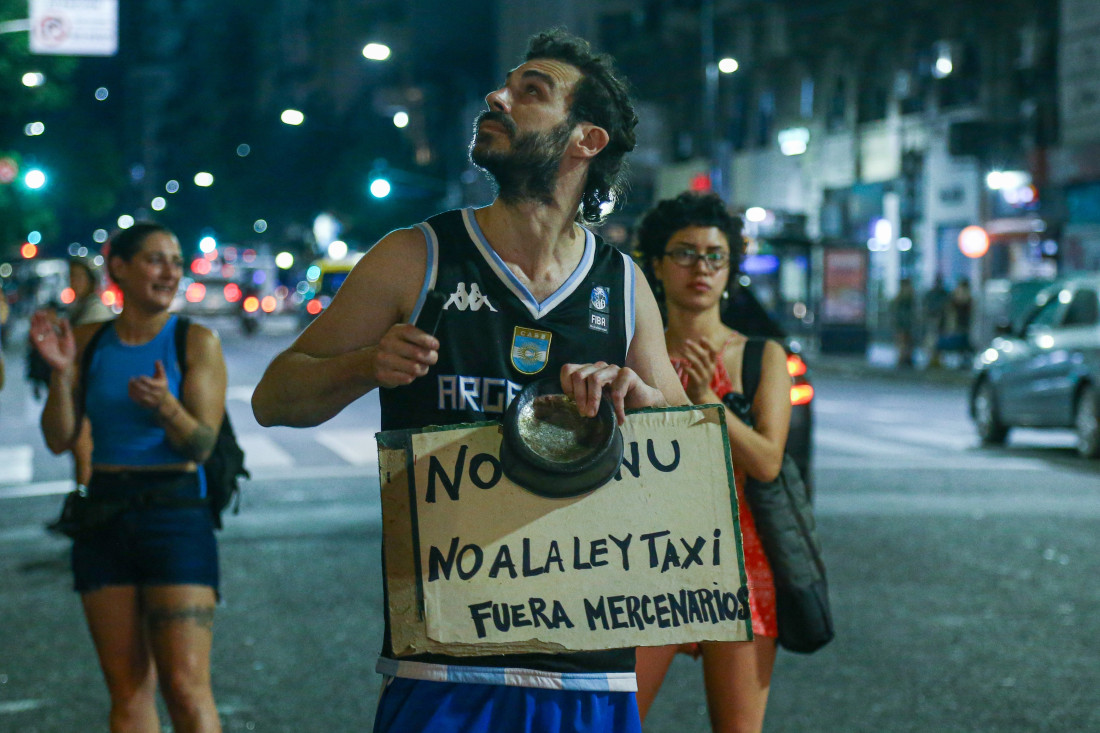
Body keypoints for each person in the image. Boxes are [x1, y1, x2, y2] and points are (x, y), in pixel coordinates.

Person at [252, 29, 688, 733]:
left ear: (586, 141)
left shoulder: (623, 284)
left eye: (530, 91)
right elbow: (274, 398)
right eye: (504, 86)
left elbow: (686, 446)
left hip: (588, 664)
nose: (496, 96)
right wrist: (364, 364)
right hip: (445, 664)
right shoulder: (414, 258)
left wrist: (641, 398)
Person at [30, 222, 226, 733]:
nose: (170, 272)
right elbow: (59, 438)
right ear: (118, 267)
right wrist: (60, 373)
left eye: (176, 262)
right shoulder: (89, 341)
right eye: (156, 260)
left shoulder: (194, 341)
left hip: (176, 514)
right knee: (126, 688)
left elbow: (203, 445)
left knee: (185, 687)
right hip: (104, 514)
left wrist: (167, 408)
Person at [633, 192, 790, 733]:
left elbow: (767, 462)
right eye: (684, 253)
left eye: (714, 256)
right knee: (611, 721)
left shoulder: (761, 356)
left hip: (740, 566)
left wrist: (706, 401)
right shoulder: (631, 353)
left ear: (730, 268)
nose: (701, 268)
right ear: (656, 265)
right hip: (644, 562)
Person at [922, 274, 949, 367]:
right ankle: (931, 359)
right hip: (932, 321)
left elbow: (947, 307)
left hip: (942, 322)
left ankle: (938, 359)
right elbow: (926, 307)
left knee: (940, 341)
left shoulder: (944, 294)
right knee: (931, 340)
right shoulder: (931, 294)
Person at [892, 277, 916, 368]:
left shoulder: (909, 296)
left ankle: (906, 358)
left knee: (907, 340)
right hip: (902, 321)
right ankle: (903, 358)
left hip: (907, 322)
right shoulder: (901, 297)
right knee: (902, 339)